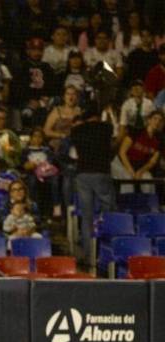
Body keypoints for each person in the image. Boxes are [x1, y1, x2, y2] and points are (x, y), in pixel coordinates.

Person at [70, 107, 116, 263]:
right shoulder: (106, 127)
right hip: (101, 172)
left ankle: (89, 253)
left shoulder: (76, 130)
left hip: (82, 174)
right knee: (108, 213)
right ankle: (105, 251)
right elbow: (113, 139)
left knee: (87, 215)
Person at [111, 110, 163, 194]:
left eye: (160, 120)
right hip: (121, 164)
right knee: (128, 180)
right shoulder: (136, 132)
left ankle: (149, 205)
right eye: (155, 119)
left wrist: (140, 171)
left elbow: (152, 162)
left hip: (138, 166)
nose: (157, 122)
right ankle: (126, 206)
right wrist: (130, 170)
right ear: (149, 120)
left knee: (148, 180)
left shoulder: (159, 140)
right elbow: (122, 152)